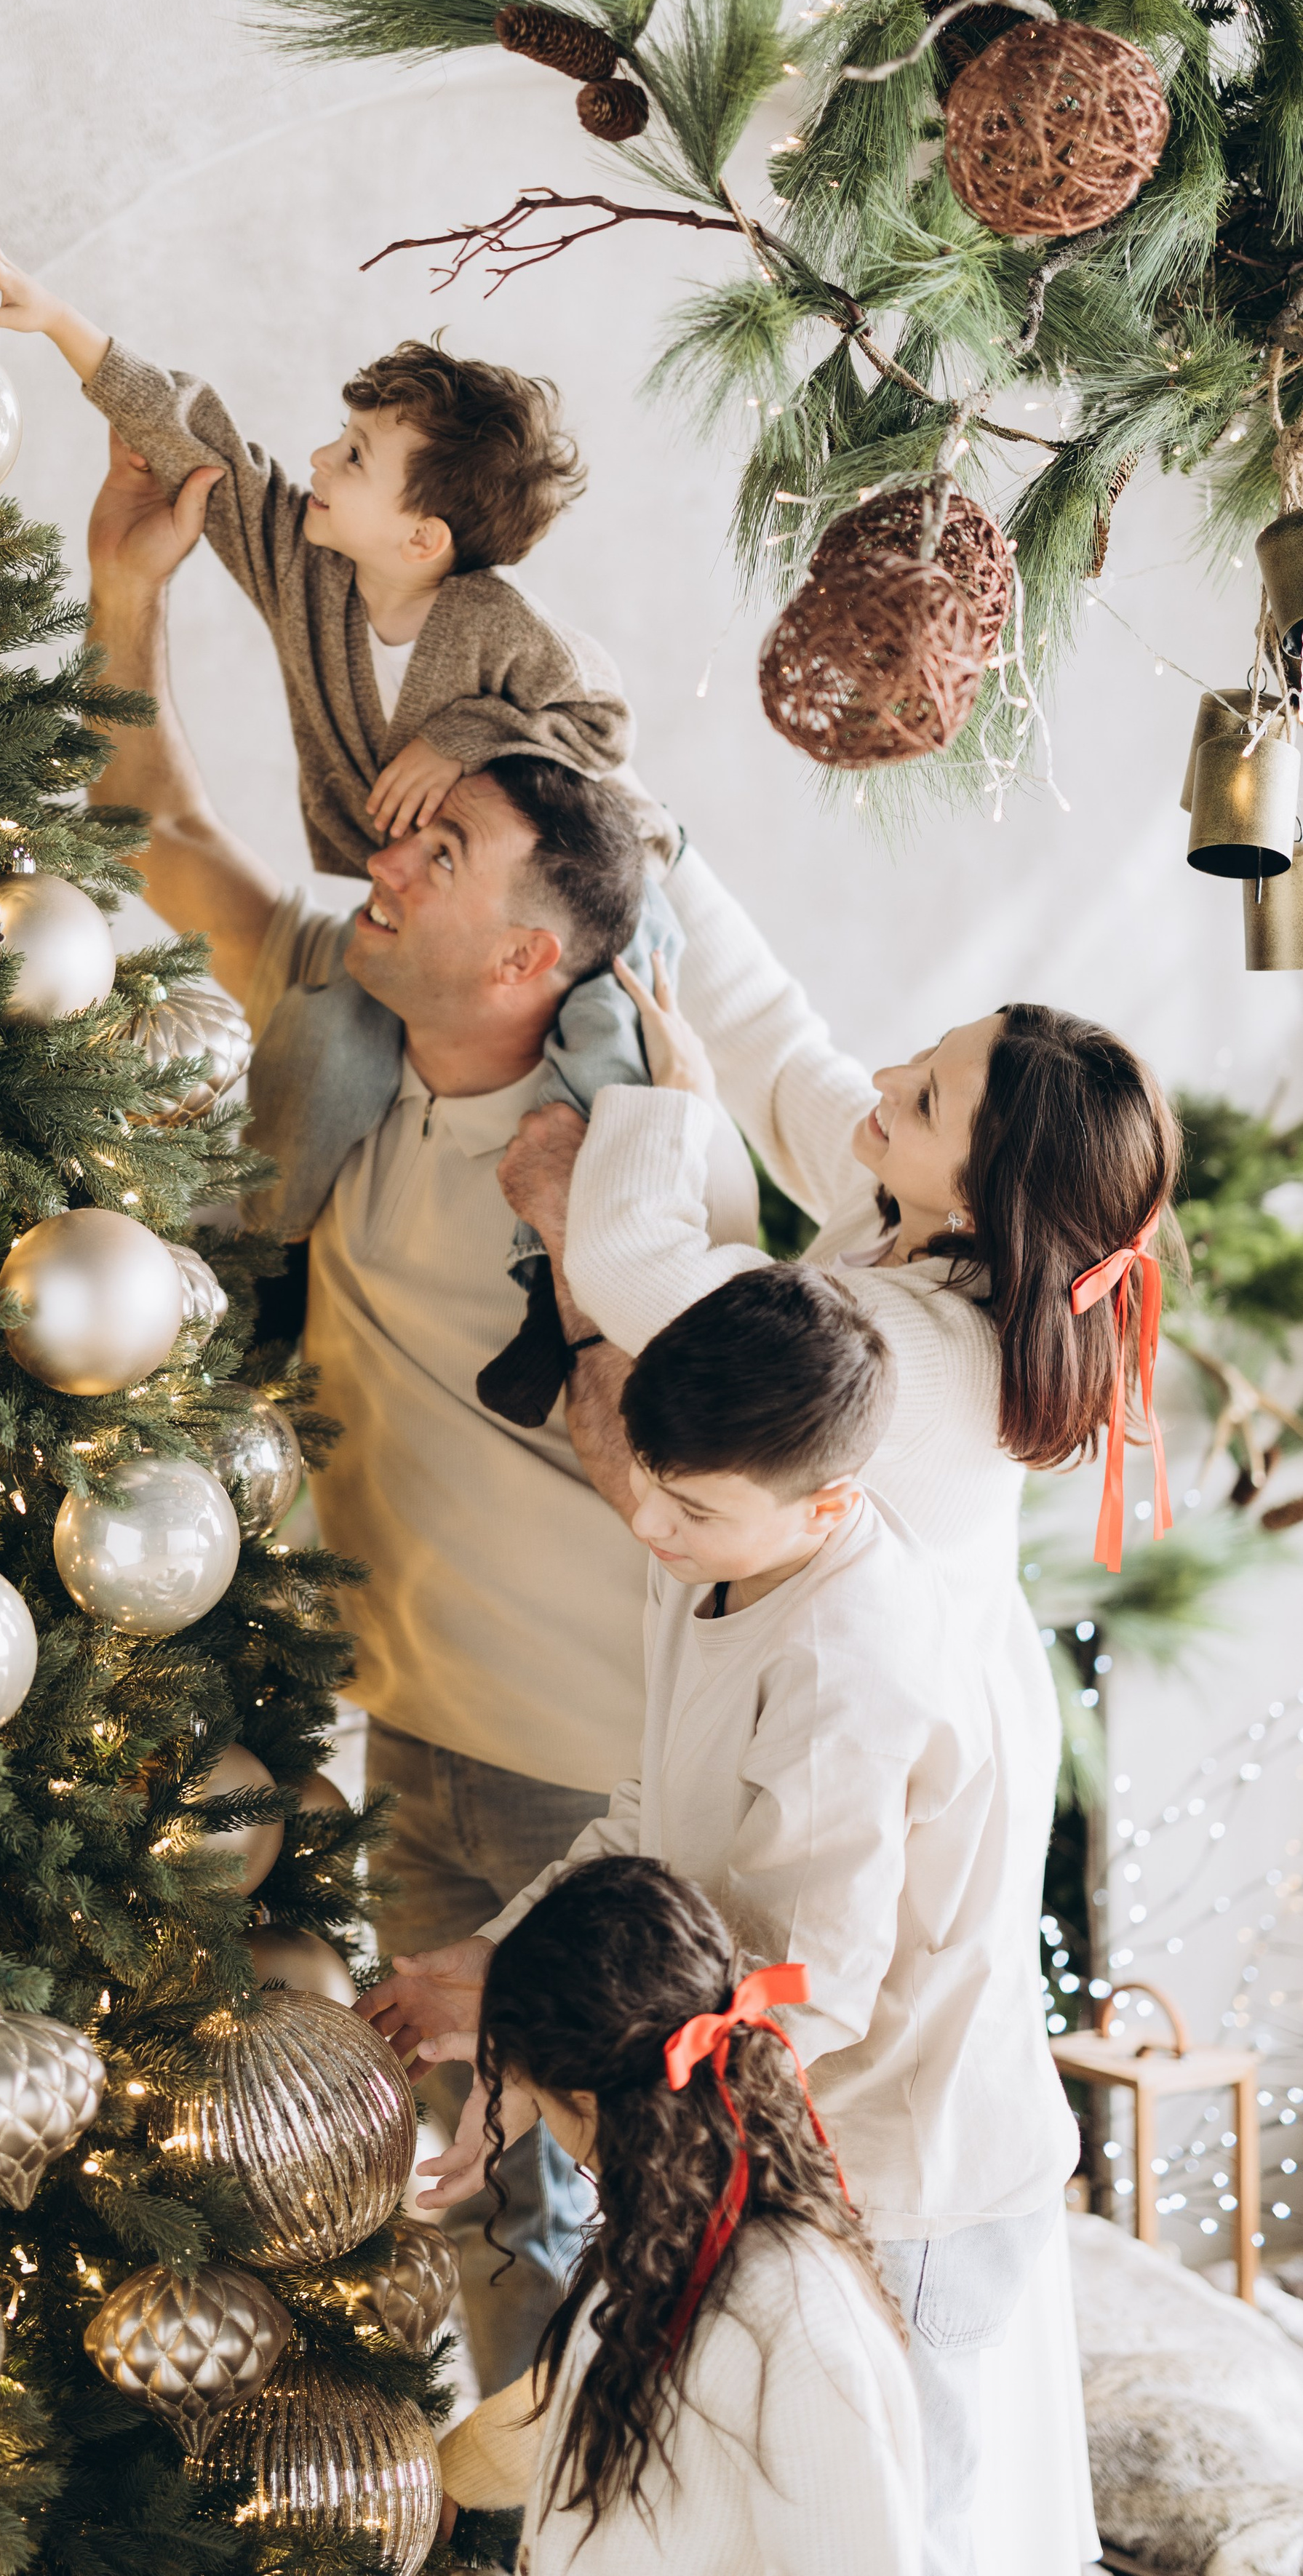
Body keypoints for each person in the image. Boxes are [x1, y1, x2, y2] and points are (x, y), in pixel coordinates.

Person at [73, 428, 760, 2394]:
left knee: (633, 2208)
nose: (382, 859)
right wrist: (128, 592)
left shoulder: (635, 1162)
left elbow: (746, 1484)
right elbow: (157, 831)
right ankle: (504, 2516)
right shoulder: (341, 1024)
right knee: (472, 2221)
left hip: (587, 1779)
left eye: (434, 857)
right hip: (409, 1732)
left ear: (535, 956)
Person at [487, 866, 1178, 2574]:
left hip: (899, 2128)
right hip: (859, 2047)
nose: (886, 1082)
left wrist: (653, 1110)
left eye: (926, 1092)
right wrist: (668, 868)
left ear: (986, 1187)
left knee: (900, 2510)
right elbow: (810, 1068)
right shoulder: (905, 1256)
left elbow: (647, 1259)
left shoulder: (896, 1351)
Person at [365, 1264, 1077, 2576]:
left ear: (832, 1506)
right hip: (770, 2128)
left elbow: (808, 1993)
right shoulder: (707, 1550)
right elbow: (650, 1809)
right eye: (644, 1471)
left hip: (900, 2166)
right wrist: (497, 1965)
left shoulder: (848, 1664)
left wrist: (530, 2051)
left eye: (688, 1503)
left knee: (911, 2530)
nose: (644, 1517)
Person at [0, 228, 687, 1425]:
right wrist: (61, 326)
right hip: (430, 953)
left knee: (613, 1066)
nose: (316, 463)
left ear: (425, 539)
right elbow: (206, 444)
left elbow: (602, 733)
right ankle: (259, 1270)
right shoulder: (317, 569)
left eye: (352, 457)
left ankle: (556, 1304)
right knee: (325, 1050)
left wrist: (466, 738)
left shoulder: (508, 634)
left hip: (614, 898)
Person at [434, 1857, 923, 2576]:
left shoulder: (795, 2319)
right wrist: (443, 2476)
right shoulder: (665, 2232)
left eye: (532, 2094)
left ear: (586, 2102)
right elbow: (586, 2392)